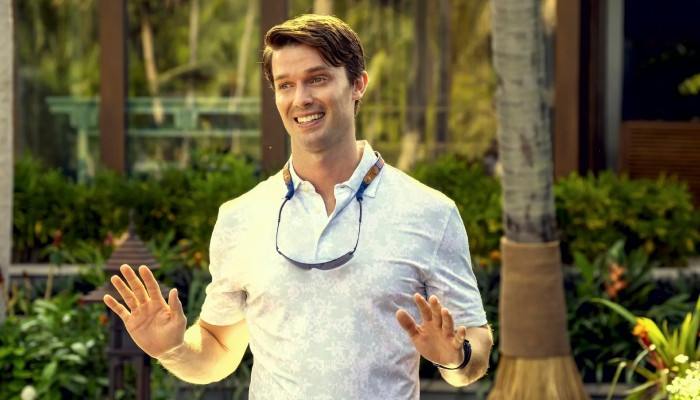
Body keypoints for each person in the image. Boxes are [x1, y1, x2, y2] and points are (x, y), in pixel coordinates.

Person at [104, 14, 493, 399]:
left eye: (317, 79)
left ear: (358, 84)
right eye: (285, 85)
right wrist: (172, 349)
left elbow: (475, 345)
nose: (301, 98)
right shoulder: (241, 217)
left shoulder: (429, 213)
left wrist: (455, 358)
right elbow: (219, 350)